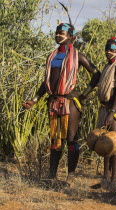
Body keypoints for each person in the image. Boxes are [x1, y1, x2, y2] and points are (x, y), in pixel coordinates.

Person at [22, 22, 100, 183]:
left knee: (71, 139)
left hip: (70, 102)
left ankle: (70, 176)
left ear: (71, 36)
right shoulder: (51, 56)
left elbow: (96, 74)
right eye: (57, 32)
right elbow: (47, 82)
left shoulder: (78, 55)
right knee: (55, 140)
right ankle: (52, 176)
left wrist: (83, 95)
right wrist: (34, 100)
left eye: (62, 33)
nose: (58, 35)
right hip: (53, 101)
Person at [96, 37, 116, 184]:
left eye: (112, 49)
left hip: (114, 108)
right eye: (107, 49)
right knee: (105, 143)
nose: (108, 52)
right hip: (105, 107)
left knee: (115, 143)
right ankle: (105, 176)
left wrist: (112, 112)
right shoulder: (107, 67)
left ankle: (114, 178)